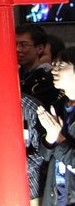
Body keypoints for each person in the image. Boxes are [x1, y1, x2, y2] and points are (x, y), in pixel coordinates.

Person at [38, 46, 75, 206]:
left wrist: (59, 138)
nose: (54, 70)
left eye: (61, 66)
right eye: (54, 64)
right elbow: (45, 156)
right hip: (56, 196)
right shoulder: (58, 106)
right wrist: (50, 138)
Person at [17, 24, 68, 114]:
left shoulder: (50, 79)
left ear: (40, 48)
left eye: (23, 45)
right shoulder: (16, 75)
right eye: (14, 44)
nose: (17, 49)